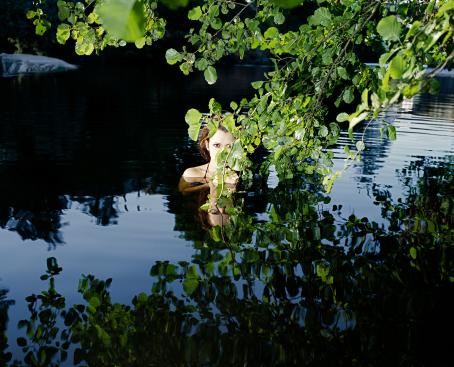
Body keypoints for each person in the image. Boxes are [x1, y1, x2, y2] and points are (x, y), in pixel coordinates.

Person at [179, 125, 238, 193]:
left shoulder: (241, 175)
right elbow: (183, 192)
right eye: (217, 145)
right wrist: (211, 185)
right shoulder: (192, 174)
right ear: (207, 145)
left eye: (229, 146)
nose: (222, 152)